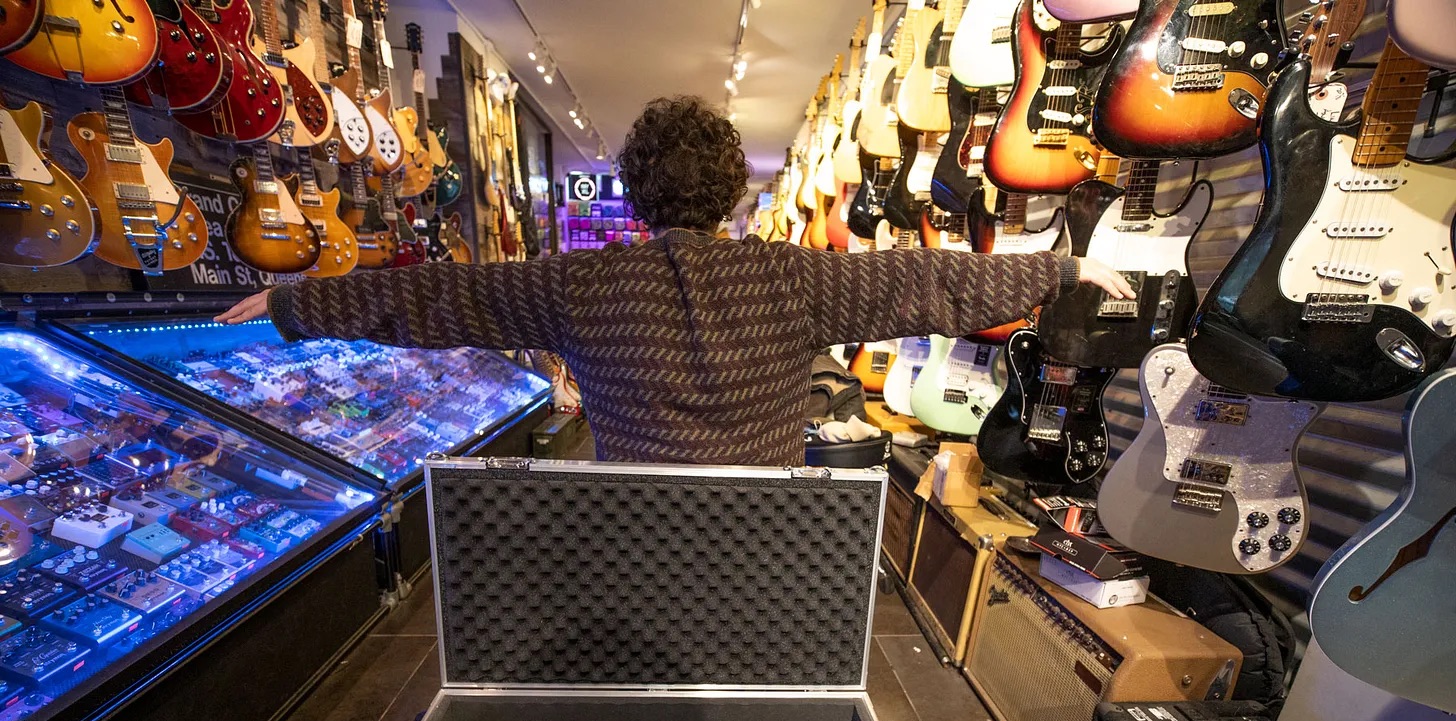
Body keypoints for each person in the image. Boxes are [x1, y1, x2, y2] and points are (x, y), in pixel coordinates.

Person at [218, 96, 1132, 465]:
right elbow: (925, 280)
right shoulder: (793, 279)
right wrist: (1060, 268)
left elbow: (441, 297)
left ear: (636, 191)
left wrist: (298, 302)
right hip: (765, 548)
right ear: (732, 190)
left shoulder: (580, 286)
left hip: (631, 539)